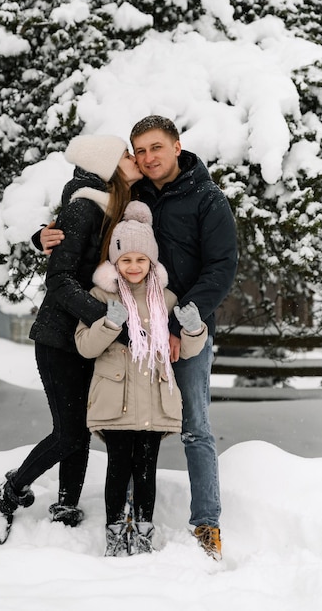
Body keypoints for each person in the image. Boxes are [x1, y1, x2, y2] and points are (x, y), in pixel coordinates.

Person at [40, 116, 238, 560]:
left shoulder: (208, 199)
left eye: (155, 148)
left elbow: (221, 267)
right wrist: (44, 234)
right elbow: (85, 198)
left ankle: (206, 523)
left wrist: (179, 323)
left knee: (195, 428)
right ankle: (127, 513)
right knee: (127, 424)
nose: (147, 158)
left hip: (183, 328)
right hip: (129, 329)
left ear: (177, 146)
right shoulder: (134, 192)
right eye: (139, 150)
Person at [0, 134, 143, 545]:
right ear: (108, 165)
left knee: (81, 426)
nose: (135, 157)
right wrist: (109, 319)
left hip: (89, 337)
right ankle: (9, 492)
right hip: (59, 338)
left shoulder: (114, 207)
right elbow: (59, 281)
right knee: (69, 431)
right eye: (126, 153)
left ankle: (67, 503)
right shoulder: (84, 208)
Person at [74, 200, 208, 557]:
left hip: (153, 397)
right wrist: (110, 324)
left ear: (152, 261)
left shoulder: (165, 299)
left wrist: (194, 330)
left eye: (141, 259)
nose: (133, 266)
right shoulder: (100, 296)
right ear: (115, 261)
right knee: (118, 466)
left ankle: (144, 529)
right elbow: (85, 346)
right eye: (126, 259)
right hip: (116, 397)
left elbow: (185, 350)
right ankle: (116, 531)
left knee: (146, 466)